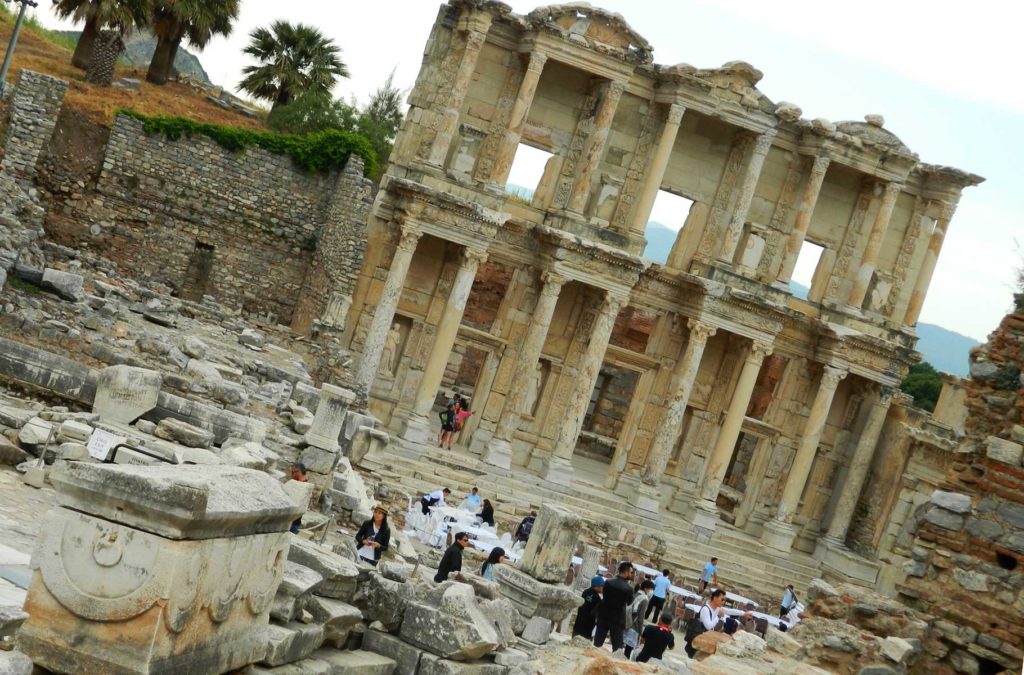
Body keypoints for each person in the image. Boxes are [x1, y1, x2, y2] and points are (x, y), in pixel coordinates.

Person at [685, 589, 740, 658]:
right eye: (722, 599)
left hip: (704, 638)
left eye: (724, 600)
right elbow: (708, 626)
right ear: (714, 598)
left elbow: (730, 611)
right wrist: (718, 616)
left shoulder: (716, 608)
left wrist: (744, 614)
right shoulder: (706, 609)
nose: (723, 602)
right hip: (698, 637)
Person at [594, 561, 635, 651]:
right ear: (626, 571)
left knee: (597, 643)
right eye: (631, 572)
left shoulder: (608, 582)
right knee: (617, 648)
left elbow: (604, 596)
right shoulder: (629, 588)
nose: (632, 574)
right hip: (617, 619)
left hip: (603, 615)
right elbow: (629, 602)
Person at [624, 580, 654, 658]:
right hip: (634, 626)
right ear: (646, 589)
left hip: (625, 621)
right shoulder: (644, 599)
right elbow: (641, 617)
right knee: (628, 650)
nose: (651, 592)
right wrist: (640, 631)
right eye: (651, 589)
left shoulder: (635, 593)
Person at [288, 463, 308, 534]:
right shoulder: (299, 483)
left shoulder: (304, 486)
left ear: (297, 472)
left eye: (292, 472)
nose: (291, 474)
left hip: (294, 521)